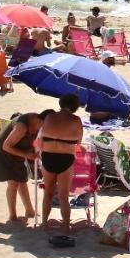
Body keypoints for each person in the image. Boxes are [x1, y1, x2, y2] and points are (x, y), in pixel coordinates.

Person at [39, 93, 85, 233]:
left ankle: (44, 224)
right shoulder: (76, 120)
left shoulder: (49, 117)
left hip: (48, 157)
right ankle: (65, 226)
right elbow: (79, 142)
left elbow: (40, 137)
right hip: (65, 159)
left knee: (48, 193)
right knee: (63, 195)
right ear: (75, 106)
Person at [0, 112, 43, 223]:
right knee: (13, 183)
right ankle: (12, 216)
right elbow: (6, 146)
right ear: (38, 120)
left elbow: (36, 141)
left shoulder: (37, 125)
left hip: (18, 150)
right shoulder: (22, 126)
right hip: (5, 151)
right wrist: (27, 154)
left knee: (22, 179)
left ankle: (29, 210)